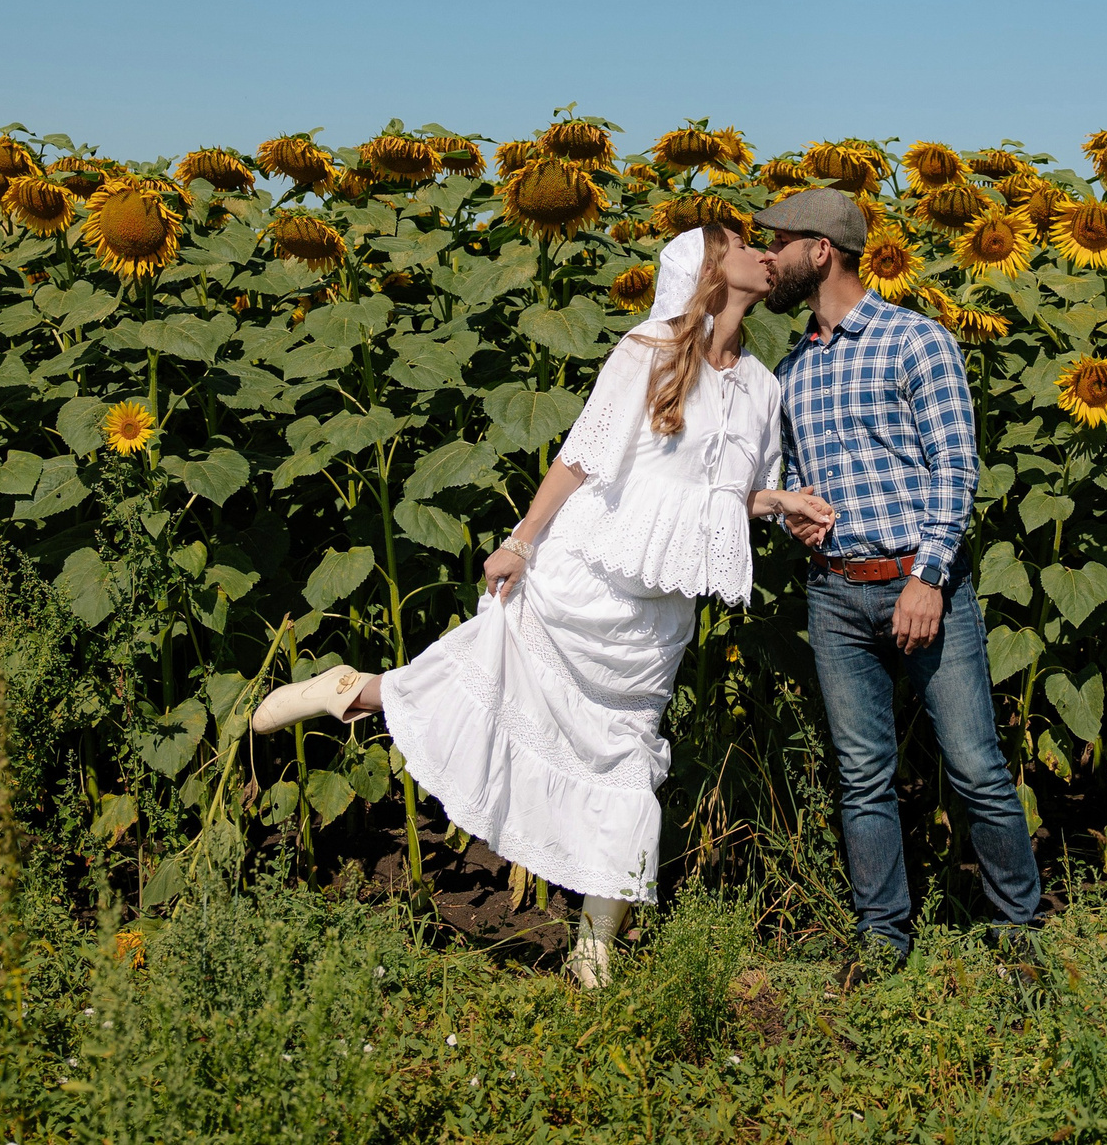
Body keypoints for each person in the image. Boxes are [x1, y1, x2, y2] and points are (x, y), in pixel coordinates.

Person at [251, 224, 834, 987]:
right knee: (487, 677)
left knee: (628, 759)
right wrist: (520, 543)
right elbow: (582, 455)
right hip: (586, 573)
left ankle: (594, 949)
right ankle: (351, 691)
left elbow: (728, 494)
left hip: (655, 618)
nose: (766, 253)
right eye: (743, 245)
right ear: (706, 271)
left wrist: (780, 500)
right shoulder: (649, 350)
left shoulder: (763, 386)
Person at [753, 187, 1042, 965]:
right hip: (835, 594)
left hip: (923, 588)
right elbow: (787, 479)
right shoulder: (792, 369)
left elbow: (956, 466)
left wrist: (928, 578)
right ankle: (882, 942)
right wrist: (792, 514)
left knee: (976, 764)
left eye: (777, 241)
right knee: (862, 776)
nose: (765, 255)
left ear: (821, 250)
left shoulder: (915, 341)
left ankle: (1021, 935)